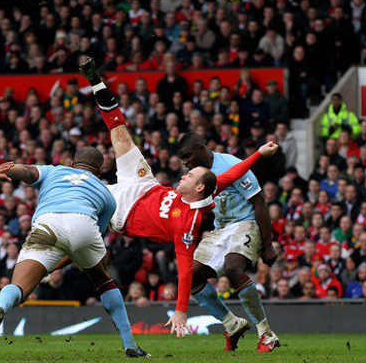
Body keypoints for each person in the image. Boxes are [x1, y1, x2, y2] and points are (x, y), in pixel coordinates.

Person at [78, 57, 279, 337]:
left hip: (120, 208)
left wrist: (181, 309)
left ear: (198, 188)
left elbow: (183, 270)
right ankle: (96, 81)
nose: (183, 174)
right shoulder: (207, 187)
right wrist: (259, 153)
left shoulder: (186, 225)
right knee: (120, 134)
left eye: (189, 174)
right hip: (143, 184)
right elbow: (232, 174)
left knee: (75, 195)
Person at [0, 146, 148, 358]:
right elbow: (81, 245)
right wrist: (54, 265)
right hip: (84, 224)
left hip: (48, 222)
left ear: (72, 164)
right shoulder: (106, 195)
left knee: (19, 286)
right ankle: (129, 343)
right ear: (99, 171)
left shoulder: (54, 171)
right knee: (103, 279)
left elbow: (27, 171)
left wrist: (6, 170)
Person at [176, 135, 280, 352]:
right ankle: (232, 325)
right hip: (221, 228)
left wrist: (268, 245)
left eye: (187, 156)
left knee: (233, 268)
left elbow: (259, 201)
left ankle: (265, 333)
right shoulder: (195, 176)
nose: (184, 162)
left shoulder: (230, 164)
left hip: (246, 223)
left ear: (201, 148)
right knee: (190, 275)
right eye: (181, 158)